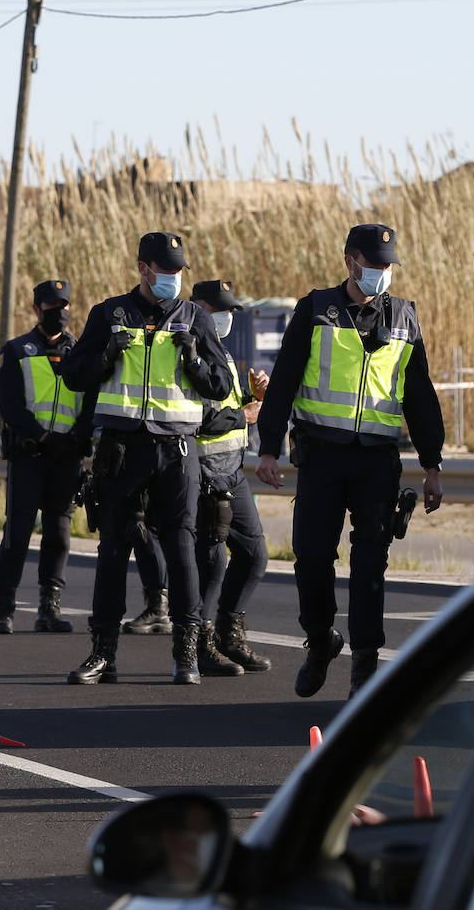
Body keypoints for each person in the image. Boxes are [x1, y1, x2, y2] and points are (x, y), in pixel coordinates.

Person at [256, 223, 445, 699]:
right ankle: (321, 640)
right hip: (321, 456)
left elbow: (420, 396)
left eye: (388, 266)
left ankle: (365, 663)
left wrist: (434, 463)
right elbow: (282, 383)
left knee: (369, 569)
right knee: (313, 558)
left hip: (377, 462)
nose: (382, 273)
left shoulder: (405, 318)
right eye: (374, 264)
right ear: (350, 261)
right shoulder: (317, 309)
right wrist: (268, 448)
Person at [58, 231, 232, 686]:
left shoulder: (195, 317)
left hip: (176, 451)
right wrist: (104, 358)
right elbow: (74, 377)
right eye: (165, 270)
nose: (172, 279)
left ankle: (185, 654)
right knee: (113, 550)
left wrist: (195, 363)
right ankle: (103, 654)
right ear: (143, 268)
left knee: (181, 550)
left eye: (178, 271)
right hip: (122, 450)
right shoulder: (110, 314)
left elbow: (220, 386)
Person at [0, 279, 92, 635]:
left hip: (67, 457)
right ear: (36, 310)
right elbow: (10, 405)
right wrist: (42, 436)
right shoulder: (17, 351)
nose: (60, 313)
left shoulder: (80, 351)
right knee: (17, 532)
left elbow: (90, 403)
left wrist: (76, 437)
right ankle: (4, 608)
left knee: (59, 534)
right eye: (51, 307)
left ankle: (49, 607)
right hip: (30, 454)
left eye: (65, 306)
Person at [190, 279, 273, 674]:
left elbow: (223, 407)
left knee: (255, 554)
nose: (227, 318)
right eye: (220, 310)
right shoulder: (186, 351)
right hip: (203, 473)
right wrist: (245, 414)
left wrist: (250, 398)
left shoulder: (218, 350)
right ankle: (201, 645)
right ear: (199, 308)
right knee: (211, 563)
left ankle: (229, 633)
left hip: (232, 471)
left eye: (230, 311)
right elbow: (193, 419)